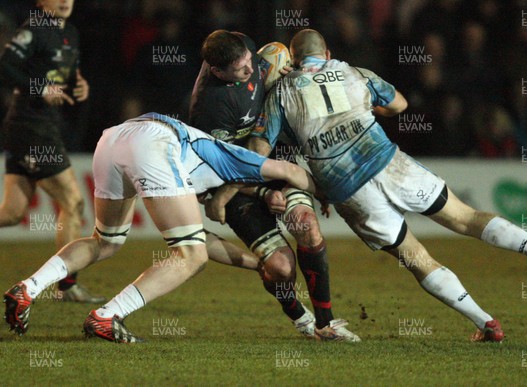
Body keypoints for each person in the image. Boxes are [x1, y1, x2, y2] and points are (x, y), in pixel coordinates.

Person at [245, 29, 527, 342]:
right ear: (325, 54)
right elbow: (399, 103)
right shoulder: (353, 71)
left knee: (415, 257)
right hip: (389, 162)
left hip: (349, 190)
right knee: (466, 218)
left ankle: (487, 322)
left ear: (293, 59)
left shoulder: (282, 94)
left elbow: (259, 153)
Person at [4, 112, 318, 343]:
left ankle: (27, 287)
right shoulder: (235, 159)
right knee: (191, 257)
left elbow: (199, 238)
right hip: (153, 143)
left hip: (112, 139)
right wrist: (330, 194)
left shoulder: (200, 166)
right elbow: (288, 170)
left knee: (106, 241)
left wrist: (257, 264)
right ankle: (107, 316)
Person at [189, 30, 359, 341]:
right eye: (241, 69)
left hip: (272, 161)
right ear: (217, 72)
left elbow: (272, 68)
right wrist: (265, 193)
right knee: (281, 268)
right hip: (233, 183)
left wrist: (288, 74)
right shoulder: (211, 109)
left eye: (249, 60)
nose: (250, 68)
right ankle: (299, 316)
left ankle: (327, 323)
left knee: (306, 225)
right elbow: (220, 169)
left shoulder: (246, 50)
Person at [0, 0, 103, 302]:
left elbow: (65, 72)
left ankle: (65, 287)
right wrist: (40, 88)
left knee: (12, 213)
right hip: (31, 126)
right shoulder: (35, 28)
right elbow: (5, 67)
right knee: (73, 202)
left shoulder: (70, 31)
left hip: (38, 127)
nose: (64, 0)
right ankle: (67, 287)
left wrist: (79, 82)